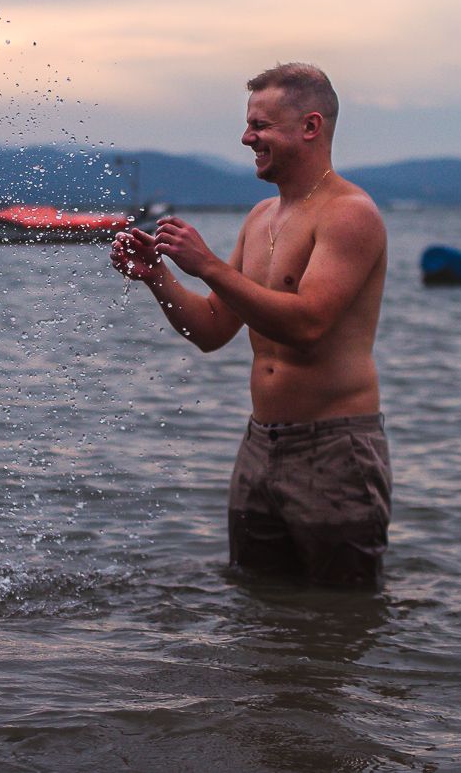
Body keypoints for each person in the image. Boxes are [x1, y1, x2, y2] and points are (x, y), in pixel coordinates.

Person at [112, 63, 391, 587]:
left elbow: (308, 324)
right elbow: (214, 329)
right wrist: (158, 278)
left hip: (334, 448)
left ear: (309, 127)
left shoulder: (350, 214)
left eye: (260, 125)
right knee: (258, 604)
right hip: (261, 444)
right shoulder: (262, 216)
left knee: (342, 614)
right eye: (248, 125)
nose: (247, 138)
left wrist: (210, 266)